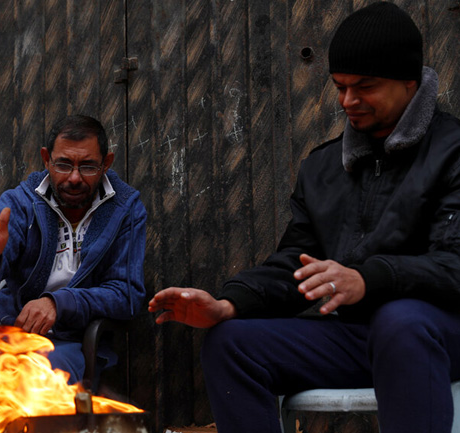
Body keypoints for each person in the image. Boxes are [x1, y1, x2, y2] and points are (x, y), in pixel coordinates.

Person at [149, 3, 460, 432]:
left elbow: (454, 265)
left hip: (438, 332)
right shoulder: (324, 167)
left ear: (410, 83)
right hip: (357, 337)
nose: (348, 101)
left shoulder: (453, 151)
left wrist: (369, 279)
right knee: (230, 343)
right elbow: (297, 265)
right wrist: (229, 304)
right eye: (340, 86)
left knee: (400, 320)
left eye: (365, 86)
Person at [0, 114, 146, 386]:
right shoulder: (21, 202)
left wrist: (60, 303)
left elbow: (127, 294)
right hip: (7, 333)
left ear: (106, 163)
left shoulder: (126, 209)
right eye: (63, 165)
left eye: (88, 166)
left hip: (70, 343)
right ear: (46, 159)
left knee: (29, 379)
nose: (75, 178)